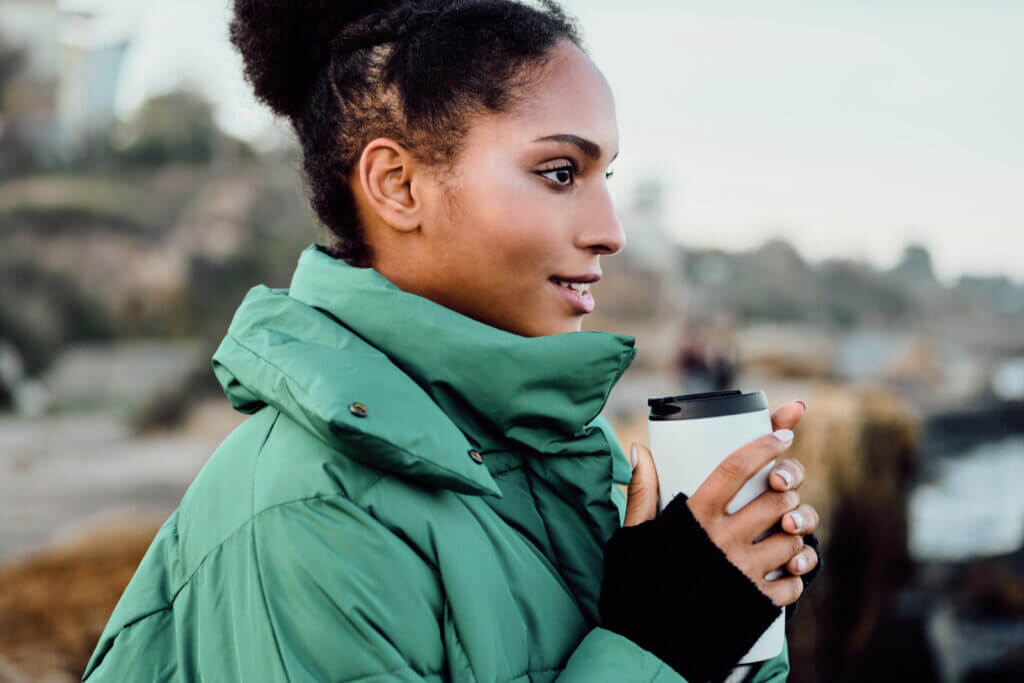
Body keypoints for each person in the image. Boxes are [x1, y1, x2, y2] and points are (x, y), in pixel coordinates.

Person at [82, 1, 822, 681]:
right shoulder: (309, 514)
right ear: (398, 185)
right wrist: (663, 639)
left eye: (606, 175)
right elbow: (650, 647)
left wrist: (728, 609)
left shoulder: (566, 455)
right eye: (561, 172)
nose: (612, 231)